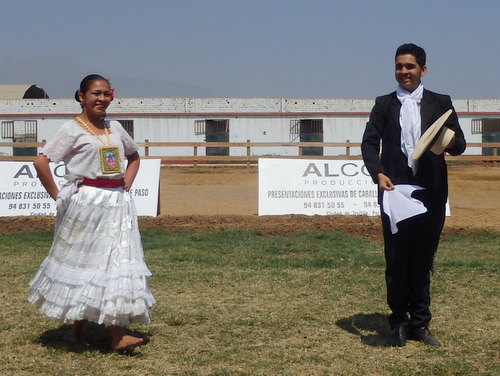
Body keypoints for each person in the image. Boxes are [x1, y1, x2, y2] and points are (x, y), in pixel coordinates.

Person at [28, 74, 155, 352]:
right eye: (96, 94)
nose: (101, 99)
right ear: (81, 96)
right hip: (86, 205)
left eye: (106, 94)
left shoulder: (116, 128)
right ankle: (115, 335)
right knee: (86, 264)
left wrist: (126, 182)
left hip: (116, 204)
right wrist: (57, 195)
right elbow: (41, 161)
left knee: (111, 263)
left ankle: (98, 334)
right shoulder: (71, 130)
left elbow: (133, 156)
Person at [361, 44, 466, 347]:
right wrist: (377, 172)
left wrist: (447, 141)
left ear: (423, 69)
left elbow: (459, 145)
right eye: (399, 66)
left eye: (410, 66)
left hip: (431, 191)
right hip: (395, 191)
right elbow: (369, 143)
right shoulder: (383, 104)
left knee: (422, 258)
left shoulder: (440, 102)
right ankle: (398, 324)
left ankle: (420, 323)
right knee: (396, 259)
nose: (404, 71)